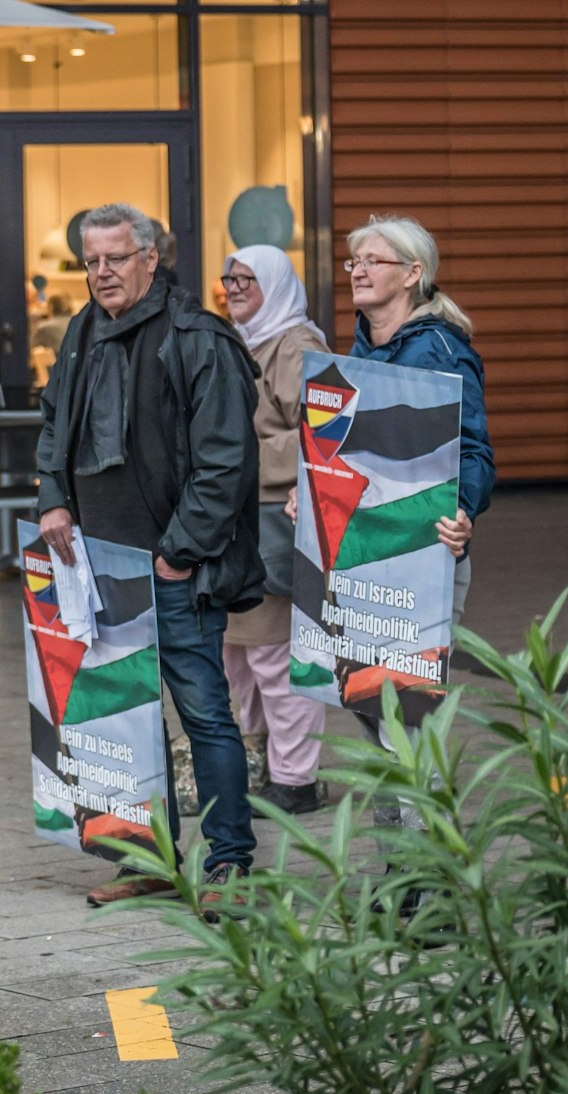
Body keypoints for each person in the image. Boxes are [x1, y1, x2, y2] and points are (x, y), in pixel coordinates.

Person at [35, 201, 266, 915]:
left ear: (150, 258)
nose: (101, 272)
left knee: (204, 715)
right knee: (125, 718)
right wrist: (53, 498)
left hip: (171, 571)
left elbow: (226, 462)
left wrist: (177, 554)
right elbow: (55, 423)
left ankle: (230, 863)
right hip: (99, 568)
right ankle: (150, 861)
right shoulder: (83, 331)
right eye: (90, 261)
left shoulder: (197, 337)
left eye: (115, 258)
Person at [291, 213, 494, 910]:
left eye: (373, 260)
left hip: (421, 563)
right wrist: (308, 488)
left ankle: (432, 889)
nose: (357, 270)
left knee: (408, 724)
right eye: (354, 260)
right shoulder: (359, 353)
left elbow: (474, 450)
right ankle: (405, 874)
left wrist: (463, 508)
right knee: (376, 717)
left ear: (413, 274)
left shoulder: (439, 351)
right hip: (360, 564)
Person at [218, 245, 331, 815]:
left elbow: (325, 429)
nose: (235, 288)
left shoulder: (296, 344)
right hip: (237, 524)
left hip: (273, 523)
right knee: (238, 656)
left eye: (247, 279)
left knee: (274, 655)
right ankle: (261, 765)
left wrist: (234, 454)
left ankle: (296, 779)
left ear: (277, 284)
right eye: (229, 279)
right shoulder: (245, 340)